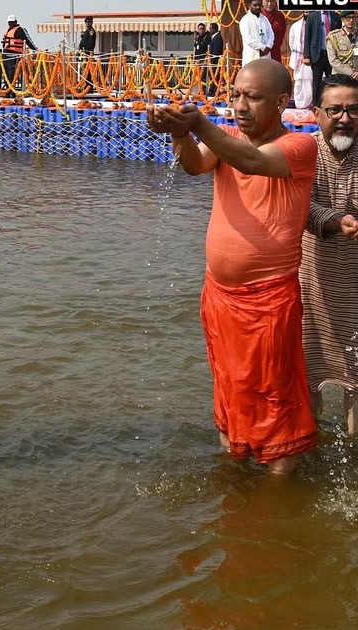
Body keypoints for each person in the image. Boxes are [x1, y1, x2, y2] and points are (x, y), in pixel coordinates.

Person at [147, 59, 318, 474]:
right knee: (230, 386)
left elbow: (253, 162)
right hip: (219, 295)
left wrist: (198, 124)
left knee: (274, 397)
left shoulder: (300, 146)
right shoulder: (226, 139)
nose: (241, 106)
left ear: (281, 102)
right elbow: (194, 164)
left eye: (253, 98)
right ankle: (235, 473)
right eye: (236, 95)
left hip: (268, 298)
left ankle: (276, 495)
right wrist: (178, 133)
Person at [299, 74, 358, 431]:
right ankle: (310, 448)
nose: (345, 118)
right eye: (335, 109)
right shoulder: (301, 151)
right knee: (306, 374)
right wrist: (337, 221)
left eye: (353, 110)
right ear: (317, 113)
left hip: (354, 287)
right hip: (310, 285)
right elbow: (297, 206)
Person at [307, 10, 341, 107]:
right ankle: (316, 105)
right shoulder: (312, 16)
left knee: (332, 80)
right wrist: (306, 55)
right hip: (317, 54)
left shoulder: (336, 16)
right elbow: (308, 36)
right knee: (316, 81)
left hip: (332, 55)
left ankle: (332, 103)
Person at [1, 15, 36, 90]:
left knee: (12, 74)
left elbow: (28, 40)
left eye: (12, 22)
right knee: (6, 74)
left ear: (16, 22)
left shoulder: (20, 30)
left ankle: (11, 91)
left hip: (15, 55)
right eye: (9, 22)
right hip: (6, 54)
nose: (10, 24)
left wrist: (35, 49)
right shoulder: (8, 30)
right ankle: (8, 90)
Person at [239, 0, 273, 67]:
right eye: (255, 5)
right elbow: (248, 38)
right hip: (252, 56)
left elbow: (271, 34)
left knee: (266, 76)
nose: (258, 7)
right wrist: (262, 47)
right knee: (252, 77)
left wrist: (269, 46)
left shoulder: (265, 19)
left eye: (259, 5)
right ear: (249, 5)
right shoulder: (245, 20)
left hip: (265, 55)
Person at [289, 14, 313, 108]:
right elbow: (291, 42)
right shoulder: (295, 25)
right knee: (298, 81)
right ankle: (299, 105)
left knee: (309, 81)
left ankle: (309, 105)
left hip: (311, 59)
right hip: (298, 57)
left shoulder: (317, 24)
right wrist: (299, 53)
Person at [327, 11, 358, 79]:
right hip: (340, 76)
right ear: (342, 19)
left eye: (354, 17)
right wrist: (351, 73)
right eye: (348, 17)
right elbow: (333, 60)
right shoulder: (334, 36)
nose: (351, 20)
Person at [261, 0, 286, 65]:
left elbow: (282, 32)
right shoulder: (259, 14)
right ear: (263, 2)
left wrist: (275, 45)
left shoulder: (280, 16)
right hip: (262, 51)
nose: (269, 4)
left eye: (271, 1)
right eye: (267, 1)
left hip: (275, 50)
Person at [207, 22, 224, 98]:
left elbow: (216, 52)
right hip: (211, 61)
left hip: (215, 62)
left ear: (214, 29)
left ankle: (213, 92)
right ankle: (212, 91)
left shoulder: (218, 38)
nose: (209, 30)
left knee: (215, 77)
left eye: (210, 29)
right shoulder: (213, 37)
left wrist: (212, 60)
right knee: (212, 77)